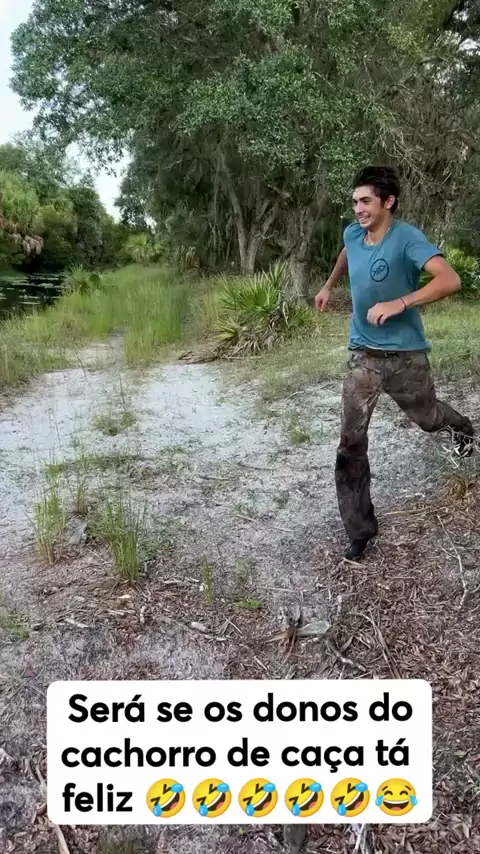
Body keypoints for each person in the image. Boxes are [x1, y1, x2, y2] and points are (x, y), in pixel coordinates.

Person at [315, 165, 474, 561]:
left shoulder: (407, 238)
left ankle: (461, 427)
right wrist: (329, 284)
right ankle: (360, 529)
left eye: (365, 201)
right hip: (363, 355)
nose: (358, 209)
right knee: (350, 444)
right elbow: (347, 253)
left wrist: (401, 302)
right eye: (355, 202)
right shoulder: (353, 234)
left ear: (388, 202)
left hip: (406, 356)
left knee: (429, 418)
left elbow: (450, 280)